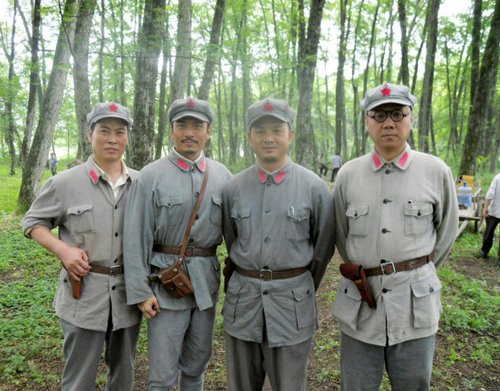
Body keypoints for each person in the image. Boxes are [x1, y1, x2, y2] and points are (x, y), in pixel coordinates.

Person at [332, 83, 458, 391]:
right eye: (379, 115)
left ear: (411, 119)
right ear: (367, 123)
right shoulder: (348, 174)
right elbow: (341, 234)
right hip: (363, 304)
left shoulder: (435, 171)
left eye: (398, 114)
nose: (389, 123)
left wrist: (415, 270)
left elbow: (446, 233)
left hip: (415, 305)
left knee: (414, 385)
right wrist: (370, 268)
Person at [22, 102, 141, 391]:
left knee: (124, 376)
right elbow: (32, 222)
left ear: (127, 137)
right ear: (90, 135)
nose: (112, 138)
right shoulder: (64, 183)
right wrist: (63, 250)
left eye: (120, 132)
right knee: (79, 378)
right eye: (104, 131)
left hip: (127, 296)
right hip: (83, 296)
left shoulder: (142, 183)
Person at [222, 98, 335, 391]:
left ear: (291, 134)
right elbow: (231, 239)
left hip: (291, 305)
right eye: (260, 131)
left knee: (289, 384)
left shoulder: (314, 188)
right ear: (249, 137)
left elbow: (322, 249)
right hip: (243, 303)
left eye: (276, 130)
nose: (268, 138)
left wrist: (297, 284)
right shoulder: (233, 188)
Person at [123, 97, 231, 391]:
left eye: (197, 125)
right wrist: (141, 293)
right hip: (165, 284)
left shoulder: (223, 176)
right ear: (171, 130)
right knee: (162, 373)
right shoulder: (150, 176)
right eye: (181, 124)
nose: (189, 132)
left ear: (209, 131)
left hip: (205, 284)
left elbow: (236, 235)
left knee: (197, 365)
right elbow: (135, 238)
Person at [480, 173, 500, 260]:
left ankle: (484, 251)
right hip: (495, 210)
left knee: (489, 231)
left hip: (495, 210)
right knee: (489, 231)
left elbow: (490, 193)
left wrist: (485, 207)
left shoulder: (498, 178)